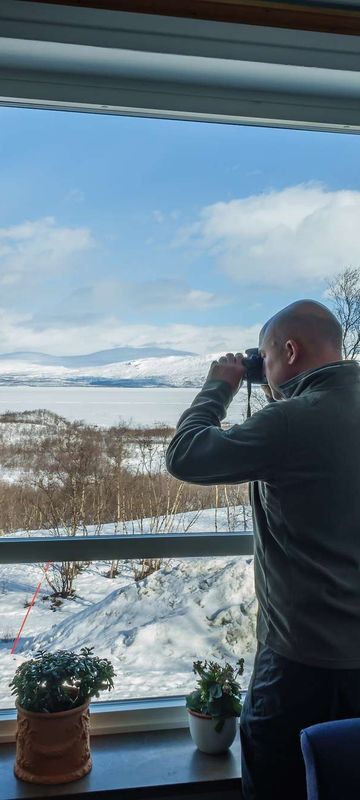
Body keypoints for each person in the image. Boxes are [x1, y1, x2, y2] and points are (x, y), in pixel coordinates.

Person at [166, 299, 360, 800]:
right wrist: (277, 384)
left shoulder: (293, 421)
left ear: (290, 350)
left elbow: (185, 456)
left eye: (269, 357)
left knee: (278, 776)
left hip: (304, 660)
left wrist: (222, 384)